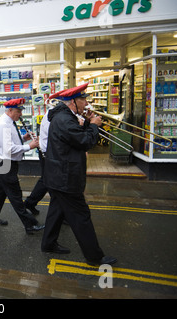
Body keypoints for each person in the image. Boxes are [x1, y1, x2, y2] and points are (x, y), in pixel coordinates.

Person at [41, 83, 117, 266]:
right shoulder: (65, 120)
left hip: (58, 175)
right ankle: (94, 257)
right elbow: (85, 142)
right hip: (66, 177)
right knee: (81, 215)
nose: (86, 103)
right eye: (83, 99)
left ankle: (48, 244)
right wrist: (93, 126)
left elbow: (73, 140)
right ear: (72, 101)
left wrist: (86, 123)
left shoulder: (64, 117)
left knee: (56, 211)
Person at [0, 98, 45, 234]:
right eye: (18, 111)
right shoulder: (3, 125)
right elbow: (9, 149)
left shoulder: (10, 122)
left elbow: (11, 141)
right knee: (15, 195)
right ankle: (30, 224)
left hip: (5, 163)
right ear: (10, 110)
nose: (20, 115)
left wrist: (25, 139)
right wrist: (29, 146)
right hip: (6, 163)